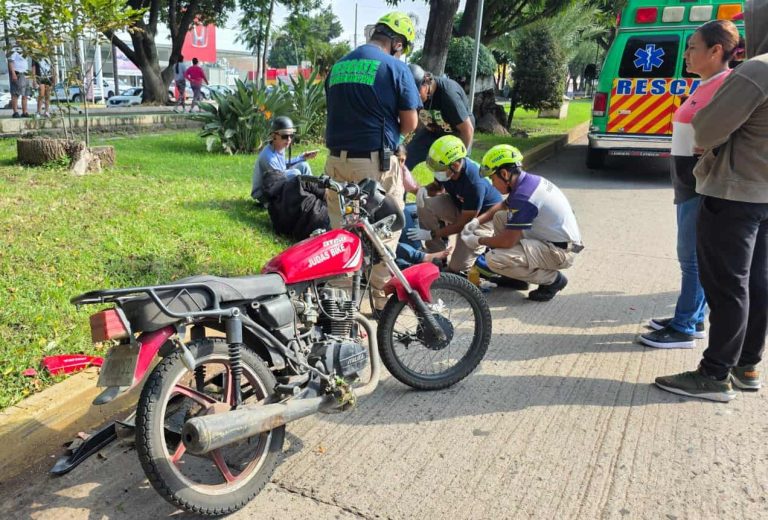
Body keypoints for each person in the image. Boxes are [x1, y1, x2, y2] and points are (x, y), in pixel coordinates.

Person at [655, 3, 768, 402]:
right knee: (756, 283)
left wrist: (714, 139)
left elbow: (707, 125)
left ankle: (715, 374)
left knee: (727, 286)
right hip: (763, 195)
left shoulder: (757, 70)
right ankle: (747, 365)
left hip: (734, 193)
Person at [640, 20, 740, 349]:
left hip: (701, 184)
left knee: (692, 258)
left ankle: (684, 327)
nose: (686, 53)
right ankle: (692, 317)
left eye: (693, 47)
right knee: (691, 256)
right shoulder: (707, 83)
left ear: (716, 51)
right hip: (687, 182)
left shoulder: (726, 86)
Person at [323, 11, 421, 311]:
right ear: (398, 44)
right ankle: (379, 306)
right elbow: (410, 123)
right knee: (386, 231)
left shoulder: (338, 67)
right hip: (374, 166)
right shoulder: (396, 68)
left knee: (342, 235)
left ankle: (339, 313)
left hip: (335, 165)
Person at [461, 144, 583, 302]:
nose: (492, 184)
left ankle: (553, 280)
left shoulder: (524, 197)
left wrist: (477, 240)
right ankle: (517, 277)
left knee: (493, 259)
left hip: (561, 252)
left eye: (492, 178)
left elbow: (507, 241)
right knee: (500, 217)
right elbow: (503, 206)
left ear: (504, 173)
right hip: (553, 240)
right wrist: (477, 221)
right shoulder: (527, 182)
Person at [406, 135, 502, 274]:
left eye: (439, 168)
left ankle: (484, 250)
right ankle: (437, 255)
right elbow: (438, 188)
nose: (436, 172)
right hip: (460, 207)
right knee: (425, 203)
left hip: (481, 220)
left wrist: (431, 234)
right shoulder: (447, 169)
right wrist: (424, 189)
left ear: (456, 165)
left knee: (457, 269)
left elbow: (464, 224)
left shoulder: (474, 183)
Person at [405, 63, 475, 169]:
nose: (414, 97)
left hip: (458, 134)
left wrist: (459, 160)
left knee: (452, 171)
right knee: (408, 156)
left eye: (416, 93)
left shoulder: (448, 95)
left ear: (426, 82)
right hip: (436, 131)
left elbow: (467, 130)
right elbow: (417, 122)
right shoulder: (421, 97)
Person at [395, 148, 451, 268]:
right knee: (405, 221)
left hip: (400, 209)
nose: (400, 164)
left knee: (417, 209)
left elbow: (416, 189)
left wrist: (424, 191)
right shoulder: (381, 172)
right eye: (397, 160)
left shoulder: (402, 169)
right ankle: (419, 257)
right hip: (387, 214)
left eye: (403, 160)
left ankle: (434, 252)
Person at [251, 116, 317, 205]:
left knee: (304, 165)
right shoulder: (267, 156)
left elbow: (283, 165)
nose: (289, 139)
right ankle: (301, 200)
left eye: (291, 135)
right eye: (285, 136)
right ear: (273, 136)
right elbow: (278, 178)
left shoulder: (279, 147)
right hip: (263, 193)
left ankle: (314, 192)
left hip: (276, 180)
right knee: (295, 173)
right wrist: (295, 175)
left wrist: (302, 157)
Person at [8, 47, 30, 118]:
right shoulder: (14, 49)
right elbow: (10, 62)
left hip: (26, 73)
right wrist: (13, 73)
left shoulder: (26, 49)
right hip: (18, 73)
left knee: (25, 94)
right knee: (16, 94)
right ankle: (15, 112)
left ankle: (25, 112)